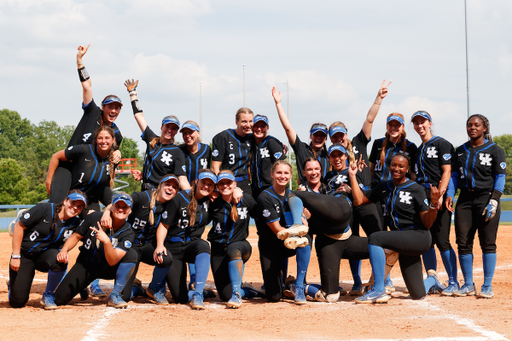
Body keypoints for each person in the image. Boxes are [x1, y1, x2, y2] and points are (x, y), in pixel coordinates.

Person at [349, 154, 443, 303]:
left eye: (401, 166)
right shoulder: (384, 186)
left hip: (418, 237)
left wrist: (433, 205)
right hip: (401, 240)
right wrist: (353, 176)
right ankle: (432, 280)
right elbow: (359, 200)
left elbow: (427, 224)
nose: (396, 168)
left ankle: (378, 289)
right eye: (393, 165)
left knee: (376, 238)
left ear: (407, 169)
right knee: (417, 294)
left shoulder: (416, 189)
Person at [328, 81, 389, 295]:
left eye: (341, 134)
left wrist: (378, 99)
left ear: (346, 134)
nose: (339, 138)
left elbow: (369, 119)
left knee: (378, 237)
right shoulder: (332, 158)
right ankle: (356, 281)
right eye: (334, 136)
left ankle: (383, 279)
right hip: (347, 205)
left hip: (365, 201)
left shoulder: (357, 143)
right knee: (351, 240)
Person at [48, 44, 123, 205]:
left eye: (117, 108)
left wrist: (117, 155)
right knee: (57, 203)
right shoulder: (93, 112)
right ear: (103, 108)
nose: (113, 110)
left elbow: (110, 164)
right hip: (69, 167)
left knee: (111, 204)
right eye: (110, 106)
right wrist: (79, 60)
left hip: (89, 172)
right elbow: (87, 86)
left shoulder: (116, 134)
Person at [294, 146, 369, 302]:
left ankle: (373, 283)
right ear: (303, 172)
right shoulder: (307, 189)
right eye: (309, 170)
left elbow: (358, 199)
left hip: (339, 232)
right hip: (324, 239)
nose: (313, 172)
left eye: (316, 169)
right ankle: (299, 284)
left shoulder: (329, 188)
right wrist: (301, 213)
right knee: (331, 296)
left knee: (378, 244)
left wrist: (353, 179)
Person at [446, 114, 506, 299]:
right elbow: (454, 176)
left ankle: (487, 285)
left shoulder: (495, 150)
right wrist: (450, 194)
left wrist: (494, 200)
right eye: (470, 125)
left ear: (484, 129)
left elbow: (500, 176)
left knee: (487, 243)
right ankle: (468, 284)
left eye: (477, 125)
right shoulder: (460, 150)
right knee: (463, 243)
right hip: (464, 200)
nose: (472, 128)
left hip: (486, 198)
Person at [101, 175, 179, 305]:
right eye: (167, 184)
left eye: (174, 187)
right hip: (130, 248)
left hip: (148, 247)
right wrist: (106, 211)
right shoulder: (143, 197)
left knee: (166, 258)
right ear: (160, 186)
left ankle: (154, 288)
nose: (170, 188)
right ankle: (136, 290)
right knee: (124, 297)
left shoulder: (172, 205)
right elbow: (119, 200)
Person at [54, 193, 137, 309]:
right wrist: (64, 250)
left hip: (108, 268)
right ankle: (82, 285)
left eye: (125, 207)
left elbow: (113, 261)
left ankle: (119, 293)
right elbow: (76, 236)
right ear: (111, 207)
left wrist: (107, 242)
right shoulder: (94, 217)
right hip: (85, 265)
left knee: (132, 256)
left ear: (130, 211)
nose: (121, 210)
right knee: (58, 299)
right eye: (117, 206)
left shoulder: (128, 232)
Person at [8, 192, 86, 309]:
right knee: (18, 302)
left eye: (79, 206)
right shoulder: (45, 209)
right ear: (65, 201)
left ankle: (48, 295)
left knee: (61, 259)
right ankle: (12, 285)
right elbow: (19, 227)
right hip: (25, 255)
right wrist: (15, 256)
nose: (75, 207)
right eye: (73, 203)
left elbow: (85, 236)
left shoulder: (76, 224)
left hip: (44, 257)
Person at [368, 112, 418, 292]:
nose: (394, 128)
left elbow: (413, 175)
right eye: (391, 124)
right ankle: (383, 278)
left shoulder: (411, 147)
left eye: (398, 125)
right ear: (387, 126)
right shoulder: (377, 144)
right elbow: (371, 170)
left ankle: (386, 276)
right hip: (379, 193)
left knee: (397, 233)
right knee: (379, 235)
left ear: (403, 127)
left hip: (399, 196)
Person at [153, 169, 217, 309]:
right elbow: (164, 226)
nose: (206, 186)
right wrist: (159, 245)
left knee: (203, 245)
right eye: (203, 182)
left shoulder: (210, 201)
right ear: (196, 182)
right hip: (174, 247)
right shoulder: (179, 198)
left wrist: (236, 190)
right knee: (180, 298)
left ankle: (198, 294)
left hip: (191, 246)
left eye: (210, 184)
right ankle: (197, 293)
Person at [411, 110, 457, 295]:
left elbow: (447, 171)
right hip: (421, 194)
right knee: (426, 240)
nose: (420, 126)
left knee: (442, 240)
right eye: (416, 123)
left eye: (423, 122)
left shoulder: (442, 143)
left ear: (430, 123)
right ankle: (433, 279)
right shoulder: (419, 149)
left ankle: (453, 281)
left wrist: (440, 195)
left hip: (436, 193)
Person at [256, 160, 311, 305]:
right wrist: (296, 230)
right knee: (274, 297)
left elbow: (302, 221)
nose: (282, 176)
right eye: (279, 172)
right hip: (271, 245)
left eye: (286, 173)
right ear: (272, 174)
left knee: (306, 239)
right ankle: (283, 281)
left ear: (290, 175)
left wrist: (304, 220)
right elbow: (277, 230)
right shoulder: (265, 197)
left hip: (288, 244)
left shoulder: (293, 195)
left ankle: (298, 285)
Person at [208, 171, 263, 308]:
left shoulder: (246, 199)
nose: (225, 186)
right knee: (225, 296)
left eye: (229, 182)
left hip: (240, 246)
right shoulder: (213, 202)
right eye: (221, 183)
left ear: (235, 184)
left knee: (234, 248)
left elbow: (261, 216)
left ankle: (237, 293)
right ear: (217, 186)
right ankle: (247, 291)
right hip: (218, 249)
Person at [124, 79, 190, 191]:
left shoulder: (177, 152)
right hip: (145, 190)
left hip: (160, 193)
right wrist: (133, 94)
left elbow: (182, 180)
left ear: (176, 132)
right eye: (167, 126)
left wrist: (194, 200)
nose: (170, 130)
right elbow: (139, 116)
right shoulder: (152, 139)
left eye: (174, 128)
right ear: (161, 127)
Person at [46, 126, 117, 211]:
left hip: (87, 198)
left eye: (107, 138)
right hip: (69, 189)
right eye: (100, 138)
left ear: (113, 140)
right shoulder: (84, 150)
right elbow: (56, 156)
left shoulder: (114, 158)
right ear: (96, 140)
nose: (103, 141)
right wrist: (48, 181)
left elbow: (109, 178)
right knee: (56, 211)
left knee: (96, 218)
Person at [272, 87, 328, 185]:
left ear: (326, 138)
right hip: (306, 194)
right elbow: (288, 129)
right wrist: (278, 104)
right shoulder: (302, 149)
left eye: (322, 135)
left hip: (325, 196)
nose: (318, 137)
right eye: (316, 135)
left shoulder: (329, 155)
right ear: (310, 136)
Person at [211, 108, 254, 194]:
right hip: (227, 184)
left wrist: (281, 145)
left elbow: (266, 141)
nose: (248, 125)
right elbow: (214, 167)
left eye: (250, 121)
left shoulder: (252, 138)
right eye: (244, 121)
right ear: (236, 122)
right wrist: (221, 186)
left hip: (245, 184)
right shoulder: (223, 137)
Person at [250, 115, 287, 199]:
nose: (259, 129)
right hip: (256, 190)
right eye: (256, 125)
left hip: (271, 189)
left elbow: (282, 166)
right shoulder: (251, 143)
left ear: (268, 128)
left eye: (263, 126)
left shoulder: (272, 142)